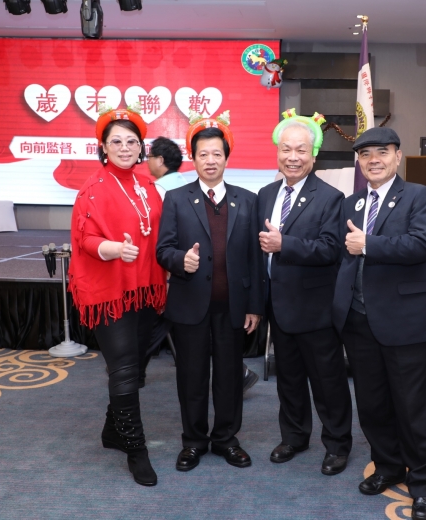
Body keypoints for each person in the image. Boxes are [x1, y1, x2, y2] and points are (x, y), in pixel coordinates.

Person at [332, 127, 426, 520]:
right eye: (365, 154)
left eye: (382, 151)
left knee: (415, 407)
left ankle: (424, 485)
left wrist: (370, 244)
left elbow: (422, 244)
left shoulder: (418, 195)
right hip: (359, 321)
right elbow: (341, 255)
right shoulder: (351, 202)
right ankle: (388, 465)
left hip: (405, 322)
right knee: (372, 403)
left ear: (397, 156)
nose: (373, 160)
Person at [156, 111, 263, 472]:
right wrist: (180, 260)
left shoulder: (247, 200)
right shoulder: (176, 199)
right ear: (193, 158)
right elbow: (163, 249)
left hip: (233, 307)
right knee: (192, 377)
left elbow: (254, 259)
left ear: (226, 157)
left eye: (217, 153)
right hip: (190, 304)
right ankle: (193, 441)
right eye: (203, 154)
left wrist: (255, 306)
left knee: (230, 378)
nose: (210, 160)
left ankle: (227, 439)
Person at [68, 104, 167, 486]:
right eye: (116, 142)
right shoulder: (93, 189)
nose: (125, 148)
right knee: (124, 369)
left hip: (145, 289)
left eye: (131, 141)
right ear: (104, 147)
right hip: (110, 292)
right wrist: (112, 249)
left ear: (141, 147)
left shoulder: (147, 186)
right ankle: (136, 450)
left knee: (136, 366)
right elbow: (85, 239)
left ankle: (113, 431)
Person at [257, 109, 352, 474]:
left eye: (300, 150)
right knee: (289, 380)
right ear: (277, 151)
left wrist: (286, 244)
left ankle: (338, 444)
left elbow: (331, 249)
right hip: (279, 306)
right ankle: (294, 436)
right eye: (286, 149)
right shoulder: (266, 194)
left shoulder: (330, 197)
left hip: (316, 308)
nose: (292, 157)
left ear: (313, 155)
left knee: (328, 382)